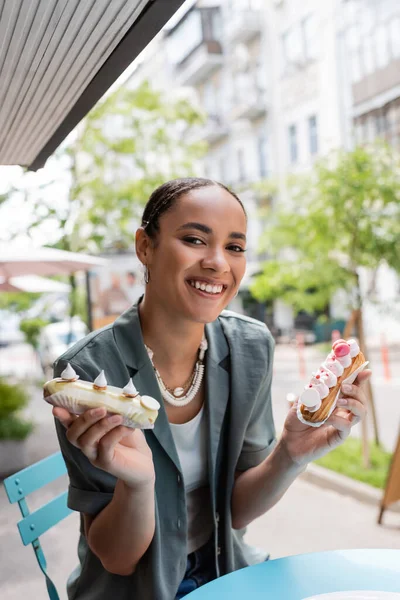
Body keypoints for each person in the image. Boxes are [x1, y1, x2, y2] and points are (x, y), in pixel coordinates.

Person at [52, 177, 370, 600]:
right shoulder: (89, 371)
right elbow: (118, 560)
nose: (219, 262)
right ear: (145, 246)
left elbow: (237, 511)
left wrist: (290, 455)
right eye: (195, 239)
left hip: (226, 569)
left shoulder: (251, 348)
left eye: (235, 247)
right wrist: (139, 484)